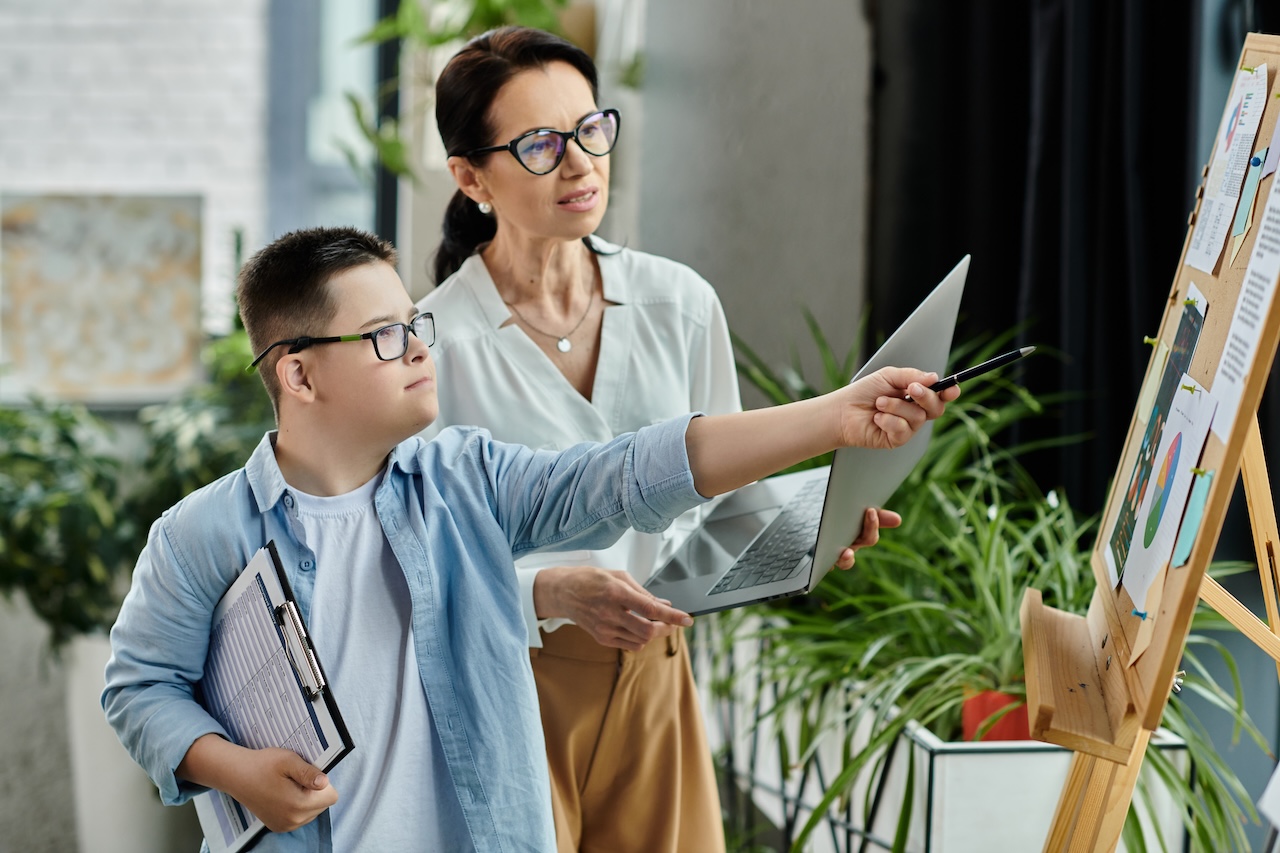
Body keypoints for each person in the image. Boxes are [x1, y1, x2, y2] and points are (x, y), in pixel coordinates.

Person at [101, 224, 956, 852]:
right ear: (297, 372)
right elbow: (139, 685)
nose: (418, 349)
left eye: (416, 325)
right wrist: (231, 768)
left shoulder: (465, 480)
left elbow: (628, 471)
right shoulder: (201, 533)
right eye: (387, 336)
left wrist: (835, 418)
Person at [418, 25, 876, 852]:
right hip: (508, 687)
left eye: (592, 129)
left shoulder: (679, 301)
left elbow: (723, 503)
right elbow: (415, 566)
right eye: (540, 144)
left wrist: (810, 526)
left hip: (659, 680)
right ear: (470, 176)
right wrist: (549, 592)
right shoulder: (430, 346)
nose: (581, 162)